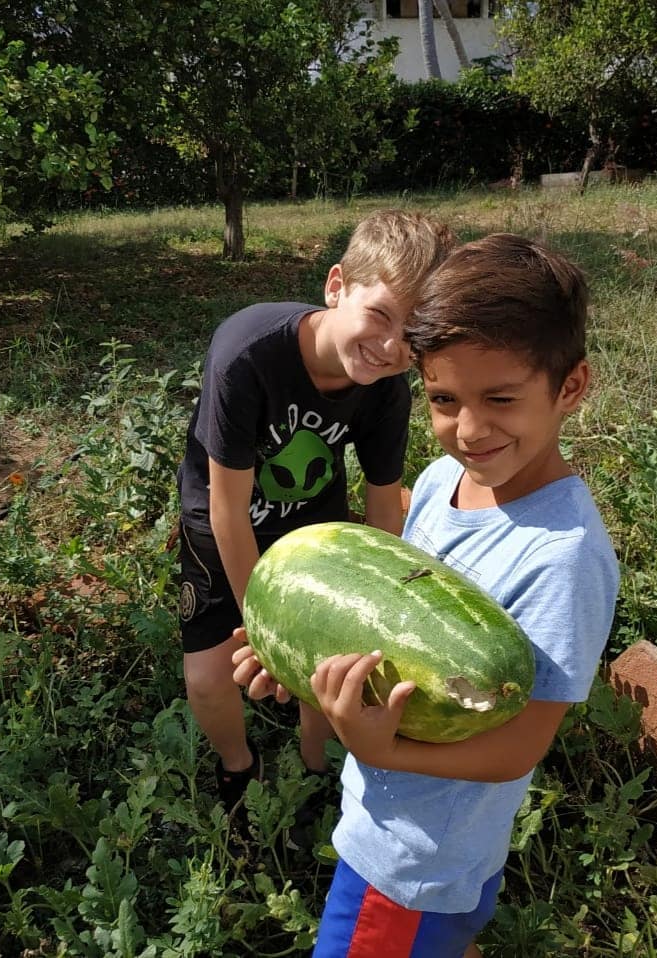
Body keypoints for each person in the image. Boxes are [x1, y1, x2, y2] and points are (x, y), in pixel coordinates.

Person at [233, 232, 620, 956]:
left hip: (413, 865)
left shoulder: (563, 558)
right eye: (443, 399)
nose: (468, 429)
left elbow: (518, 747)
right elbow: (400, 623)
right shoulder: (444, 483)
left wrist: (379, 748)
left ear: (570, 387)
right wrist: (301, 665)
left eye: (500, 398)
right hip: (396, 829)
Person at [176, 209, 456, 812]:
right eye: (379, 315)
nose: (389, 346)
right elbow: (227, 507)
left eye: (412, 334)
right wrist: (263, 621)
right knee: (208, 677)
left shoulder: (385, 387)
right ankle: (238, 767)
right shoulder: (246, 353)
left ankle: (314, 768)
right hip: (222, 519)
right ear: (336, 286)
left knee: (326, 667)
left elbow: (384, 503)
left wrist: (392, 604)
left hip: (315, 521)